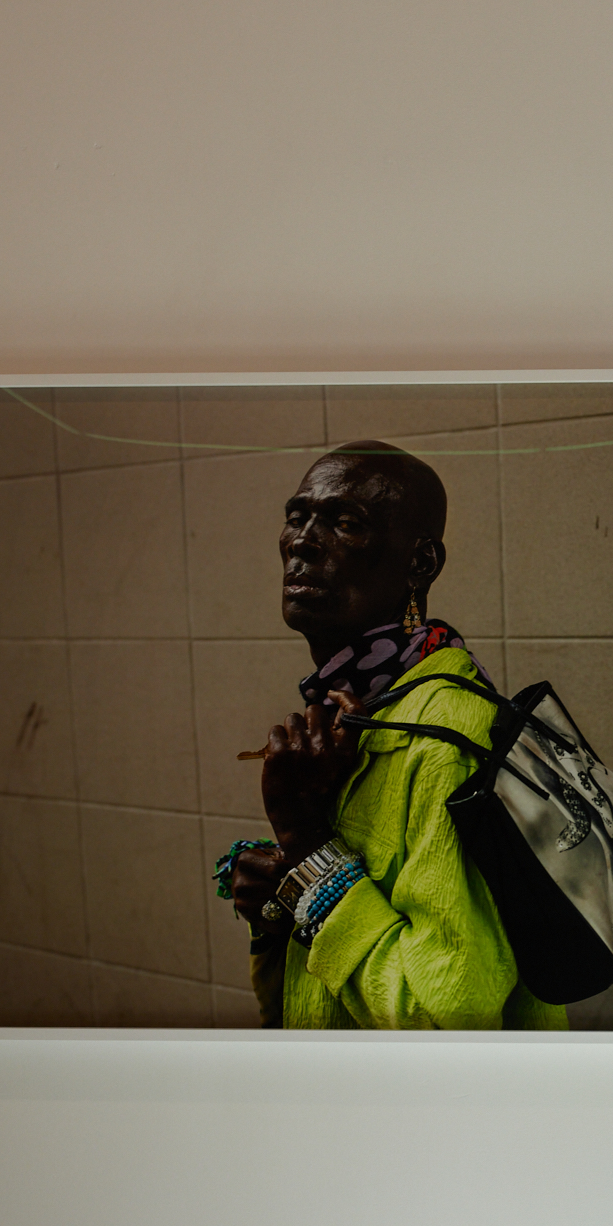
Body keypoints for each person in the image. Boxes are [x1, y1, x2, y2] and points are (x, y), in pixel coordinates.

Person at [222, 440, 566, 1033]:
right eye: (297, 515)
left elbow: (443, 1022)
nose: (302, 541)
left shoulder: (446, 737)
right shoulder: (363, 711)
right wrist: (281, 904)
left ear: (420, 564)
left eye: (345, 523)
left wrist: (306, 845)